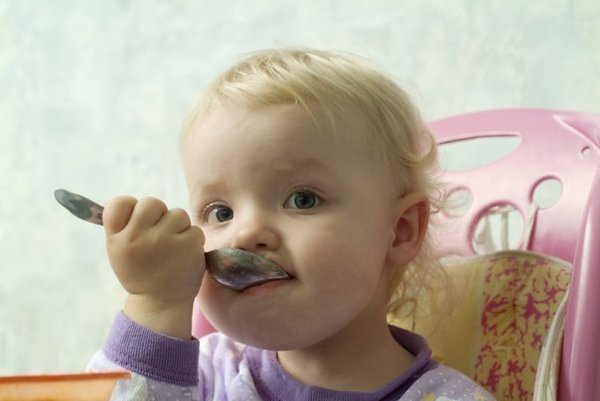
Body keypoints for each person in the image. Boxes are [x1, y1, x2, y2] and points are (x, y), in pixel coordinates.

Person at [87, 48, 495, 401]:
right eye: (221, 213)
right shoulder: (194, 375)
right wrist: (158, 305)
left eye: (302, 200)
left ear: (401, 230)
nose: (246, 233)